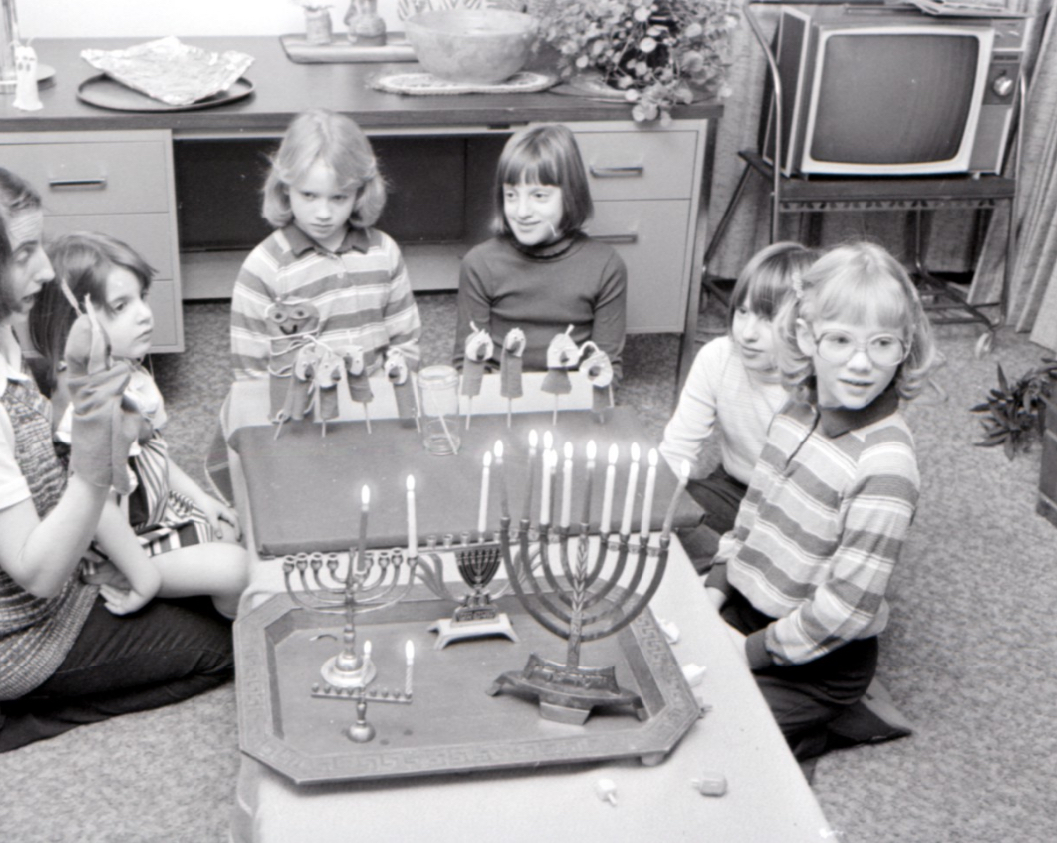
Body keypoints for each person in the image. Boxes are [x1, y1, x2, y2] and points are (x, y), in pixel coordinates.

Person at [0, 155, 236, 754]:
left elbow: (43, 469)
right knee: (225, 648)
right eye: (21, 255)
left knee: (218, 592)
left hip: (43, 580)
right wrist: (96, 432)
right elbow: (40, 576)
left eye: (37, 246)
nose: (44, 269)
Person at [704, 241, 938, 761]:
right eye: (840, 340)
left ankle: (830, 721)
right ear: (807, 337)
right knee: (663, 673)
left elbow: (848, 611)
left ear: (906, 347)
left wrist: (745, 653)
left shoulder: (887, 467)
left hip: (820, 664)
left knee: (706, 730)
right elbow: (754, 513)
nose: (860, 363)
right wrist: (716, 588)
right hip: (753, 608)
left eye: (882, 344)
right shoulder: (795, 410)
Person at [29, 231, 248, 618]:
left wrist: (202, 499)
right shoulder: (86, 410)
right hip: (123, 543)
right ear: (73, 327)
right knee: (238, 571)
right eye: (120, 306)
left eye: (141, 298)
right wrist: (142, 575)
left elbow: (154, 452)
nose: (144, 314)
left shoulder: (129, 372)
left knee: (232, 529)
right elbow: (100, 513)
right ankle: (222, 638)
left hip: (152, 516)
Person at [229, 108, 421, 380]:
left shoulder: (384, 252)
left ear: (360, 193)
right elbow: (250, 372)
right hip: (301, 410)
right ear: (285, 187)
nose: (323, 213)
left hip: (376, 402)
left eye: (339, 198)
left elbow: (405, 342)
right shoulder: (263, 268)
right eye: (309, 195)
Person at [660, 242, 818, 567]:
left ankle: (731, 566)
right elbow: (676, 453)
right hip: (732, 487)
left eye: (767, 318)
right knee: (656, 513)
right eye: (742, 312)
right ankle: (729, 559)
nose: (746, 333)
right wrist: (658, 508)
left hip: (797, 505)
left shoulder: (822, 381)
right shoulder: (717, 356)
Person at [452, 124, 627, 372]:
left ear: (570, 195)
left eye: (539, 196)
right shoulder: (479, 263)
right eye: (511, 195)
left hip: (569, 396)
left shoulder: (606, 265)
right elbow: (468, 362)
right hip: (498, 394)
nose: (522, 212)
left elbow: (605, 367)